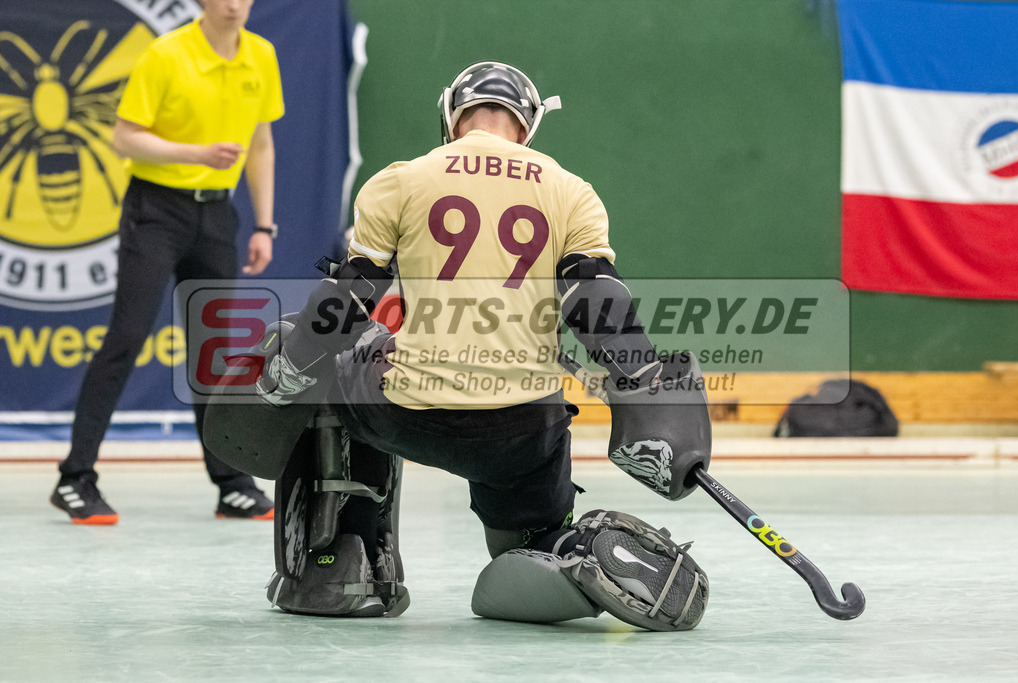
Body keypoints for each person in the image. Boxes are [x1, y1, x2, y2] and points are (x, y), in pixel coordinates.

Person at [204, 62, 713, 631]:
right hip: (520, 434)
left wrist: (289, 370)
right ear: (529, 124)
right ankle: (562, 559)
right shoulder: (572, 191)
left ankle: (344, 565)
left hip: (409, 415)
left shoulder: (402, 179)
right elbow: (598, 309)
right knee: (521, 555)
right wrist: (644, 380)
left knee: (336, 358)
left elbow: (346, 302)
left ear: (452, 115)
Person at [50, 0, 284, 525]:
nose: (233, 4)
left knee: (214, 350)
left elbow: (262, 143)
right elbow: (124, 137)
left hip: (217, 216)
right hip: (155, 210)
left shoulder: (261, 56)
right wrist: (196, 154)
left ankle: (232, 484)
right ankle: (74, 478)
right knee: (127, 336)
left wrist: (264, 225)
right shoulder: (165, 54)